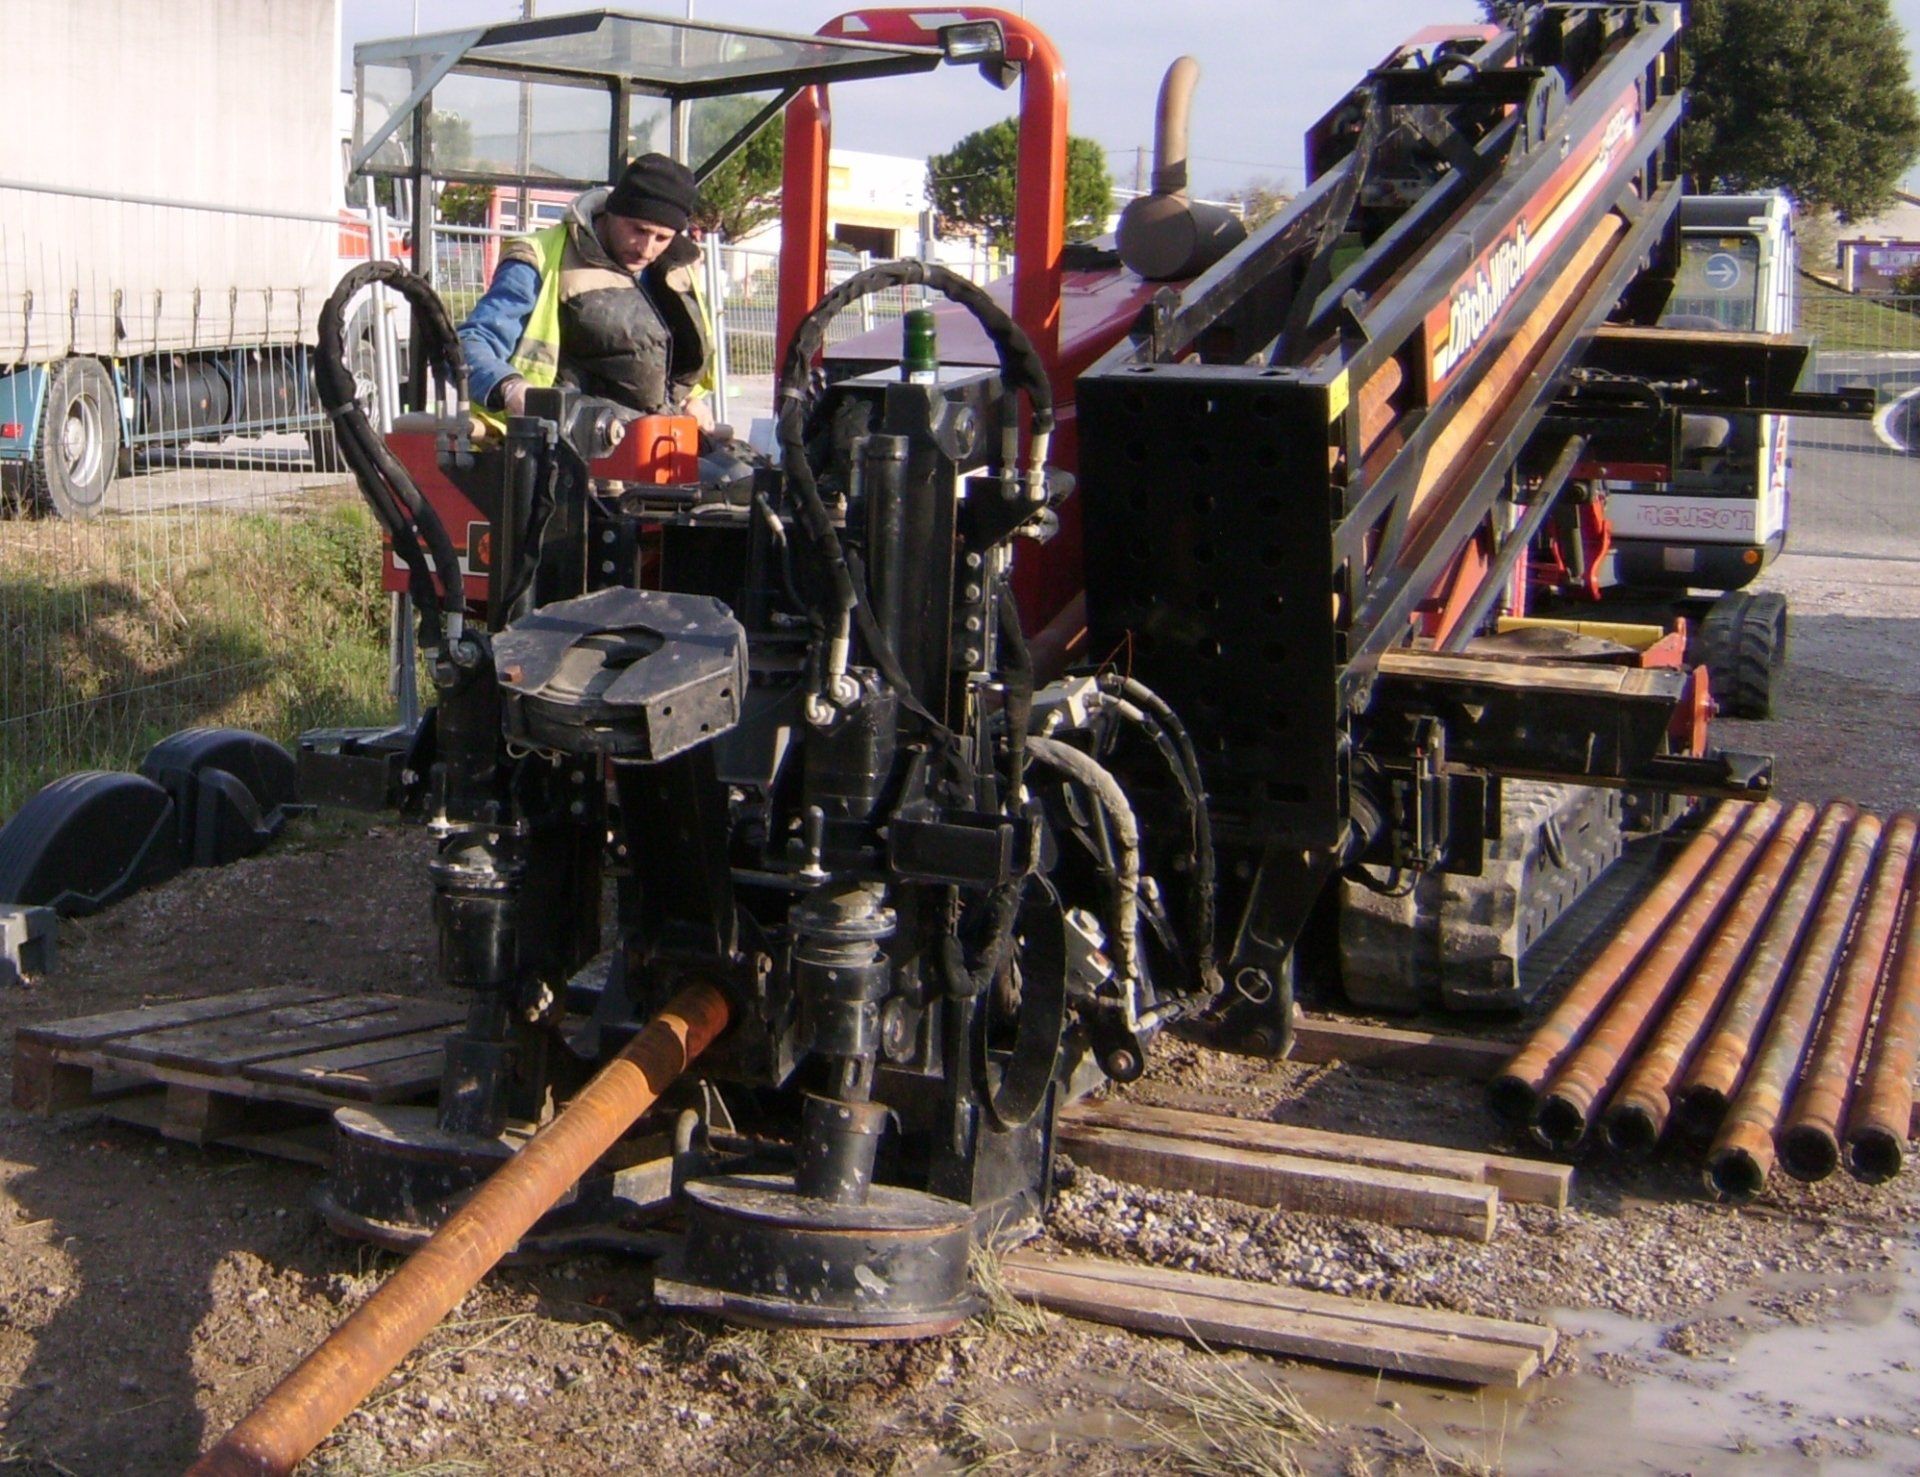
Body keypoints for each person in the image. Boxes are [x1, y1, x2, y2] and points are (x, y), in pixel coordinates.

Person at [460, 153, 712, 427]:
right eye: (638, 230)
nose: (646, 248)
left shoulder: (677, 270)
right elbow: (470, 343)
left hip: (656, 442)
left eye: (662, 238)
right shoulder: (541, 258)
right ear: (612, 211)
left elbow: (673, 360)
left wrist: (692, 401)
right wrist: (510, 388)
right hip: (559, 444)